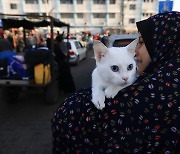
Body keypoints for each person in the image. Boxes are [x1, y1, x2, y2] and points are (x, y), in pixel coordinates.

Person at [51, 11, 180, 153]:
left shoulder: (149, 97)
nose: (135, 51)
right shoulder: (166, 82)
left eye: (142, 42)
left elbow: (67, 117)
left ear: (165, 44)